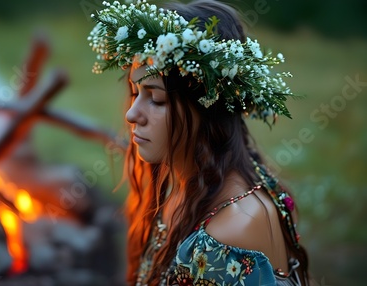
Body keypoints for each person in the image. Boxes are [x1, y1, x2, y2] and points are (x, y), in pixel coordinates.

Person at [88, 0, 309, 285]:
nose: (132, 115)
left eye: (156, 98)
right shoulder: (192, 184)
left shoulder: (228, 236)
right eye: (135, 93)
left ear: (207, 108)